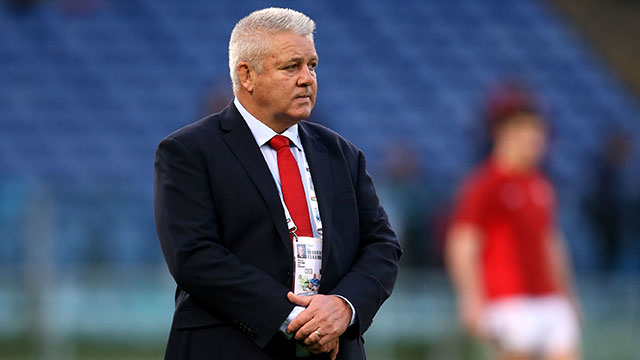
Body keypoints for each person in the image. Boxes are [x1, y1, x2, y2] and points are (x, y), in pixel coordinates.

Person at [154, 8, 402, 360]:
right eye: (292, 67)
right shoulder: (188, 151)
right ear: (247, 75)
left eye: (312, 65)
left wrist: (344, 307)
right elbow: (194, 256)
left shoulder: (342, 154)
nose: (307, 78)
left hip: (333, 349)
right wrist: (294, 319)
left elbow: (382, 246)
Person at [446, 107, 582, 360]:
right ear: (505, 135)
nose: (537, 144)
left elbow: (551, 242)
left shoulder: (540, 184)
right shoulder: (485, 184)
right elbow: (463, 242)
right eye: (529, 136)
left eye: (539, 137)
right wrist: (470, 298)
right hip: (508, 299)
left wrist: (569, 295)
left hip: (549, 297)